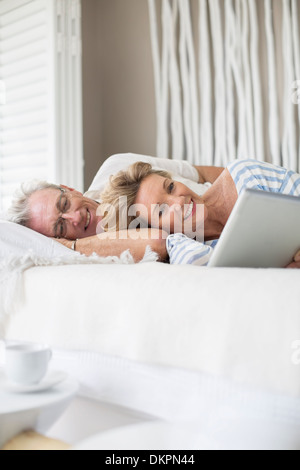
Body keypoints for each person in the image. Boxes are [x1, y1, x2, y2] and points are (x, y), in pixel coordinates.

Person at [8, 153, 221, 262]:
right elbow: (156, 242)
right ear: (58, 240)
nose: (75, 217)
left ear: (69, 188)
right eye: (61, 226)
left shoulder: (117, 165)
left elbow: (200, 173)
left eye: (64, 204)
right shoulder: (106, 254)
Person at [100, 158, 300, 269]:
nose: (179, 201)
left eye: (170, 187)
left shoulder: (245, 175)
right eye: (161, 210)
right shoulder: (189, 250)